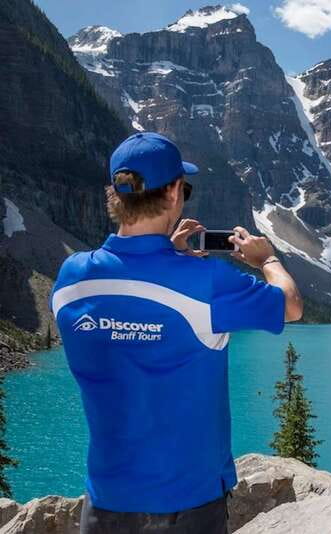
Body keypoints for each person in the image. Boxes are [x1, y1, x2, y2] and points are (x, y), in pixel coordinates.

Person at [50, 132, 303, 534]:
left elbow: (134, 289)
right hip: (189, 506)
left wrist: (169, 255)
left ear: (118, 195)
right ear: (171, 194)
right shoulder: (206, 282)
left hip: (105, 505)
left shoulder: (71, 278)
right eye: (184, 187)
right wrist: (267, 258)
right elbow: (290, 306)